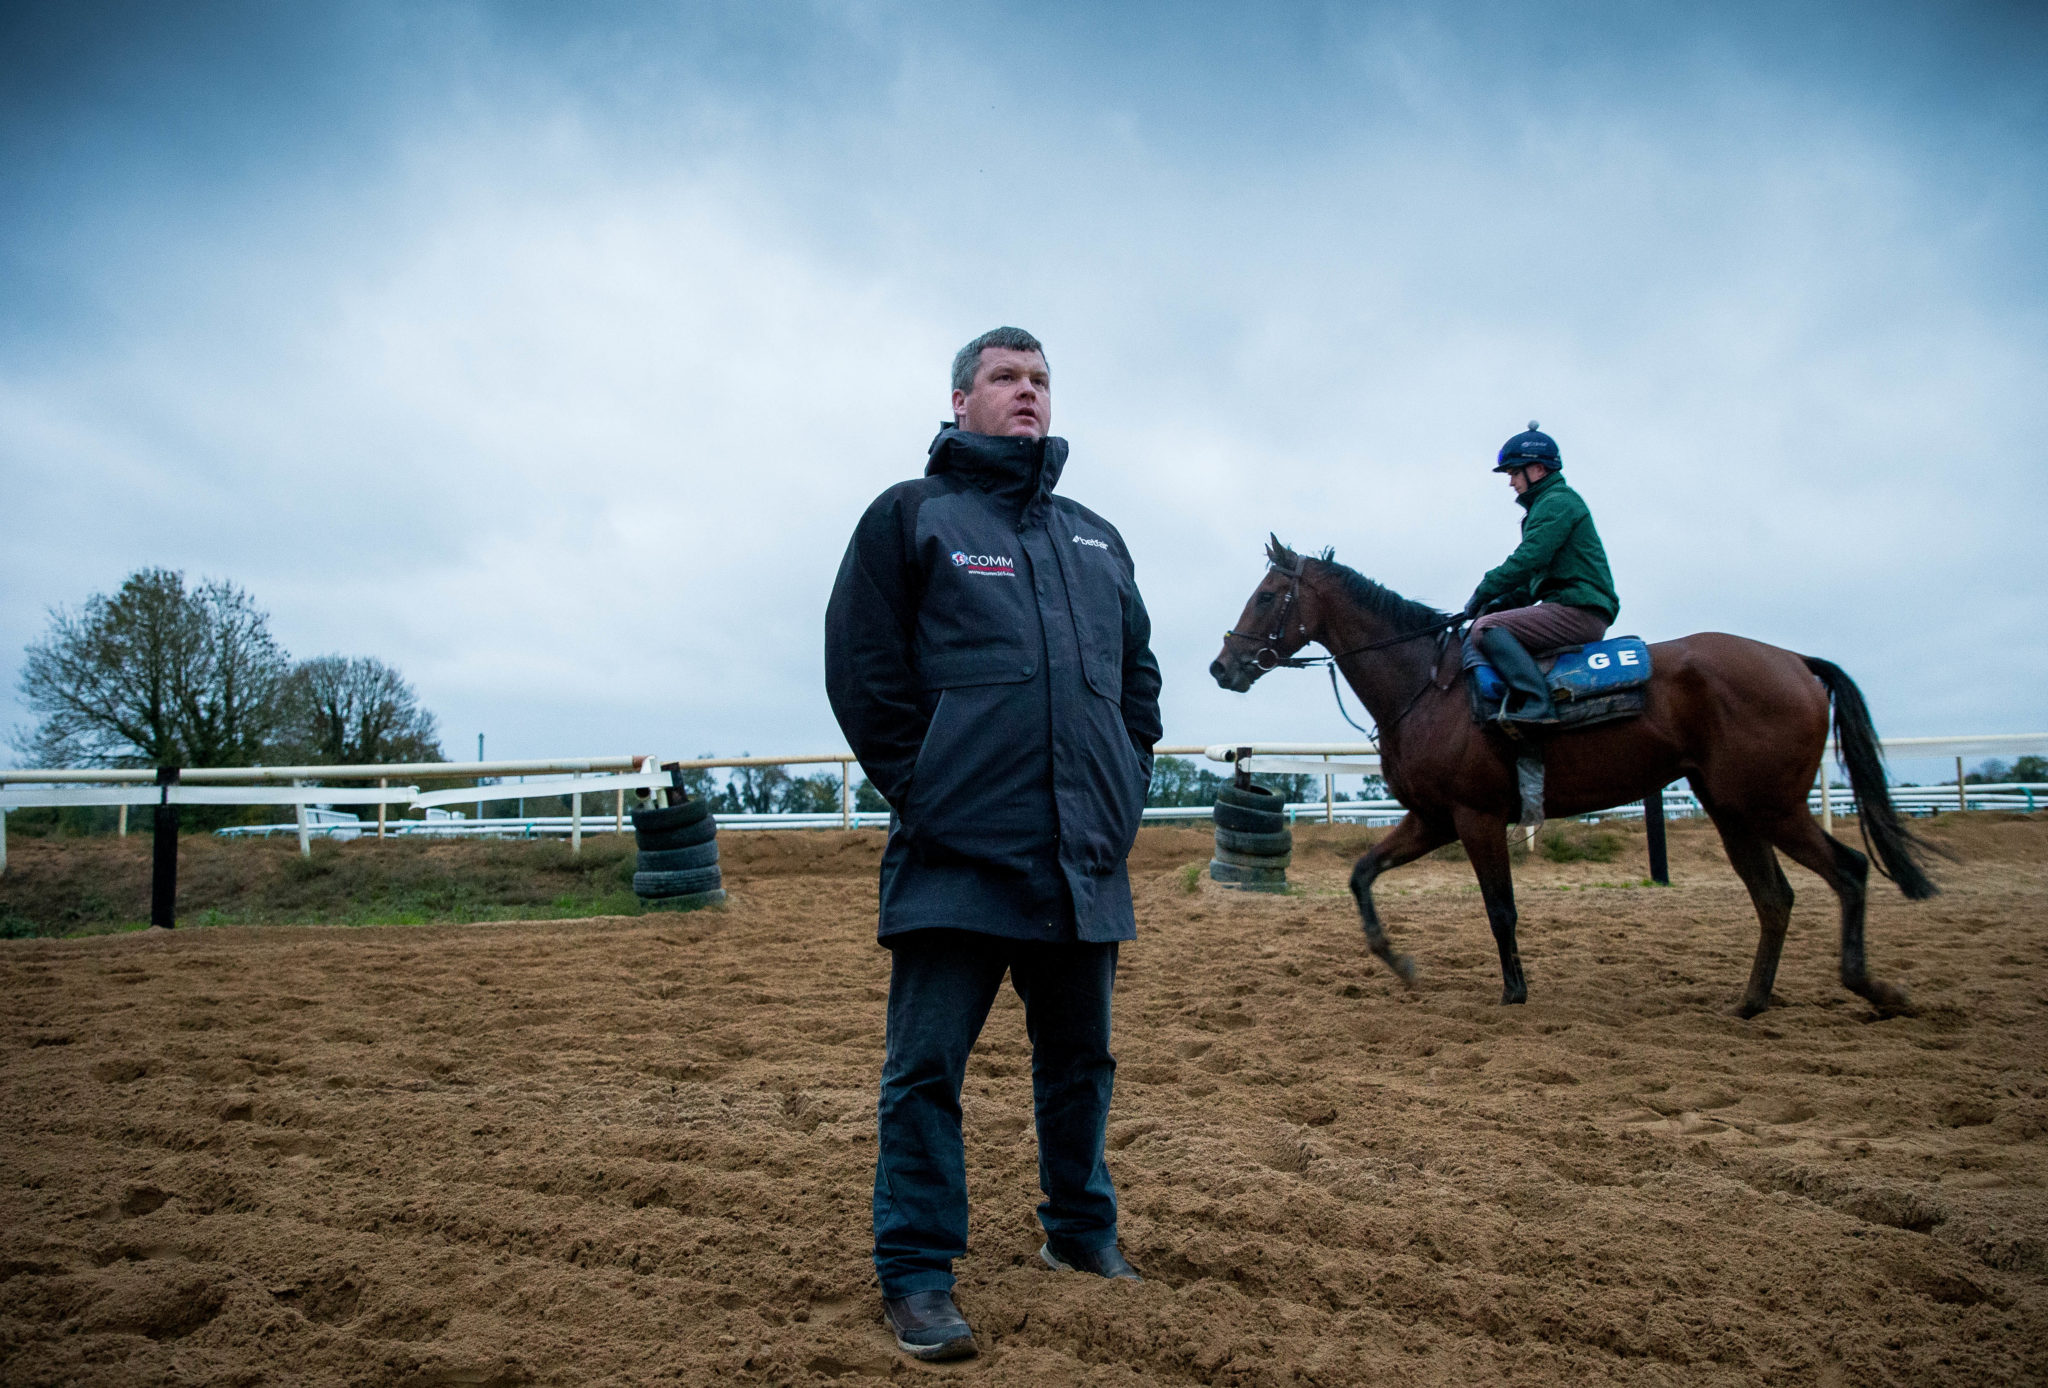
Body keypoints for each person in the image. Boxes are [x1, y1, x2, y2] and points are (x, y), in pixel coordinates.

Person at [824, 326, 1162, 1363]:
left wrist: (1123, 791)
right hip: (955, 857)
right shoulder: (910, 516)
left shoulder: (1096, 536)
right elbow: (862, 671)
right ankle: (918, 1271)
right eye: (1006, 379)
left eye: (1041, 381)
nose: (1028, 395)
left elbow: (1138, 685)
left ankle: (1080, 1233)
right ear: (959, 398)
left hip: (1079, 857)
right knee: (926, 1069)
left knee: (1080, 1061)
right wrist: (928, 790)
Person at [1462, 422, 1619, 726]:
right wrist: (1501, 601)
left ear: (1536, 470)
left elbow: (1528, 559)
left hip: (1578, 611)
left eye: (1513, 473)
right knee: (1489, 619)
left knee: (1486, 629)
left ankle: (1537, 701)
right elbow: (1533, 581)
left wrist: (1484, 590)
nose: (1511, 483)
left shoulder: (1557, 503)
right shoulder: (1546, 506)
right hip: (1566, 605)